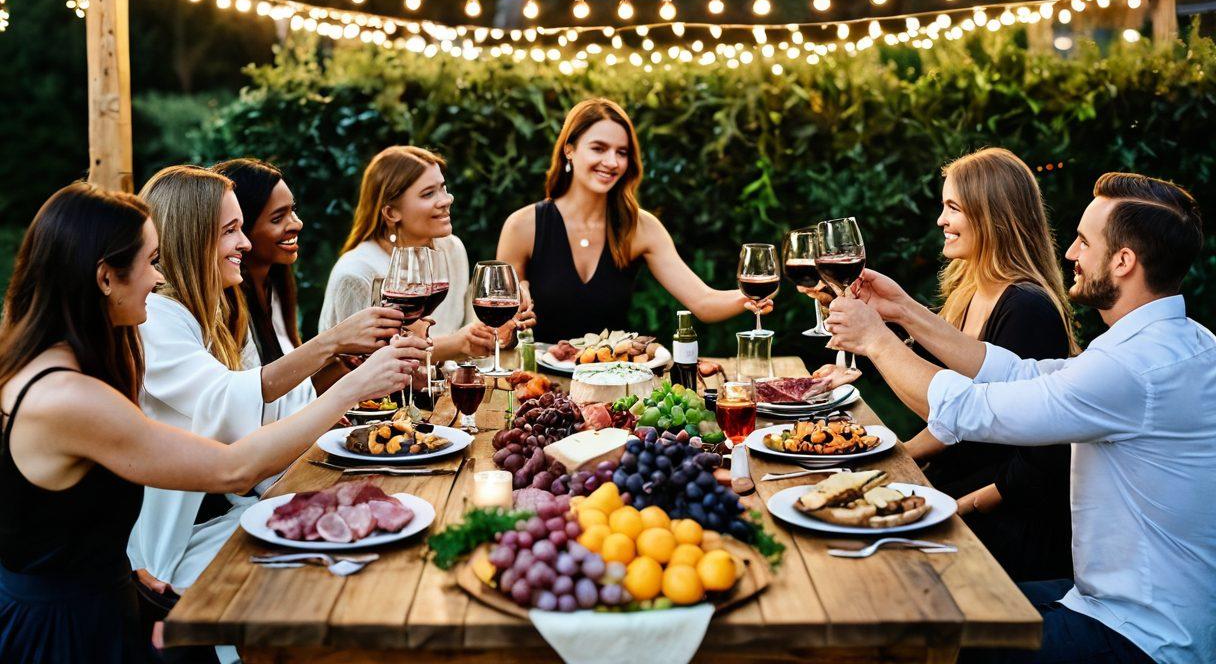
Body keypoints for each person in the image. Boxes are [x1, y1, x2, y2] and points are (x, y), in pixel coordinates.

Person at [0, 183, 422, 663]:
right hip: (67, 634)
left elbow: (52, 521)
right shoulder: (68, 398)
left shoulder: (52, 366)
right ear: (105, 278)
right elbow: (232, 469)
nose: (159, 278)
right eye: (151, 262)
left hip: (98, 600)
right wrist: (352, 387)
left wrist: (119, 565)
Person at [825, 172, 1214, 664]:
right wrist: (902, 309)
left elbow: (972, 411)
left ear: (1123, 261)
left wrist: (875, 340)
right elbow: (1018, 372)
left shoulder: (1134, 369)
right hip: (1107, 601)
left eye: (1083, 242)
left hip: (1142, 636)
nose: (1070, 253)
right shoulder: (1178, 343)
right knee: (919, 604)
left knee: (918, 637)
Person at [127, 166, 407, 599]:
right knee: (340, 581)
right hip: (176, 549)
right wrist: (347, 374)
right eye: (230, 231)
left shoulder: (207, 313)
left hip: (226, 515)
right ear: (192, 237)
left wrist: (340, 373)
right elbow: (229, 404)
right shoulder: (157, 320)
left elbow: (271, 404)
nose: (244, 243)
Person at [897, 148, 1076, 580]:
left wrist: (957, 508)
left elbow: (1039, 463)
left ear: (992, 216)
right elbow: (944, 407)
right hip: (950, 493)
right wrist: (895, 456)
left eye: (953, 208)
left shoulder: (1028, 308)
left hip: (1003, 526)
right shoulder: (968, 291)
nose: (941, 220)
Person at [497, 97, 769, 343]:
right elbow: (501, 332)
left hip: (615, 377)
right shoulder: (523, 226)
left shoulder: (640, 227)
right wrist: (508, 323)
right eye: (599, 148)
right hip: (539, 379)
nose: (612, 162)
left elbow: (703, 302)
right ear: (569, 149)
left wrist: (756, 292)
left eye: (622, 152)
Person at [319, 145, 530, 360]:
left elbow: (470, 333)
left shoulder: (451, 249)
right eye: (428, 193)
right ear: (391, 213)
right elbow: (358, 364)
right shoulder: (356, 274)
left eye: (443, 188)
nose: (447, 200)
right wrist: (458, 344)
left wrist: (501, 328)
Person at [213, 158, 347, 390]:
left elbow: (290, 390)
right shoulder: (225, 309)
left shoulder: (275, 285)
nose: (297, 224)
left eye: (292, 211)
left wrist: (342, 364)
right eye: (277, 218)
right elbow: (258, 397)